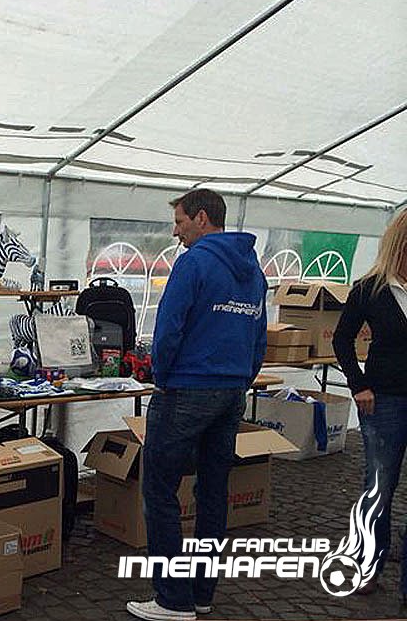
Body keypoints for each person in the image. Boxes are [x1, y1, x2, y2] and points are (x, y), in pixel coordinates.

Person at [128, 189, 267, 621]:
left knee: (160, 489)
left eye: (180, 222)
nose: (176, 232)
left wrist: (161, 377)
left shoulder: (193, 263)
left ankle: (172, 598)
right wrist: (242, 378)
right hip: (231, 391)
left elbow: (168, 327)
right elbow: (258, 335)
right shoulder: (254, 270)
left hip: (187, 387)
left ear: (202, 218)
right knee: (212, 492)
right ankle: (202, 593)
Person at [333, 210, 407, 600]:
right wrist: (358, 384)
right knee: (379, 486)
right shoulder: (370, 289)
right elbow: (342, 339)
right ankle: (369, 565)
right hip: (385, 400)